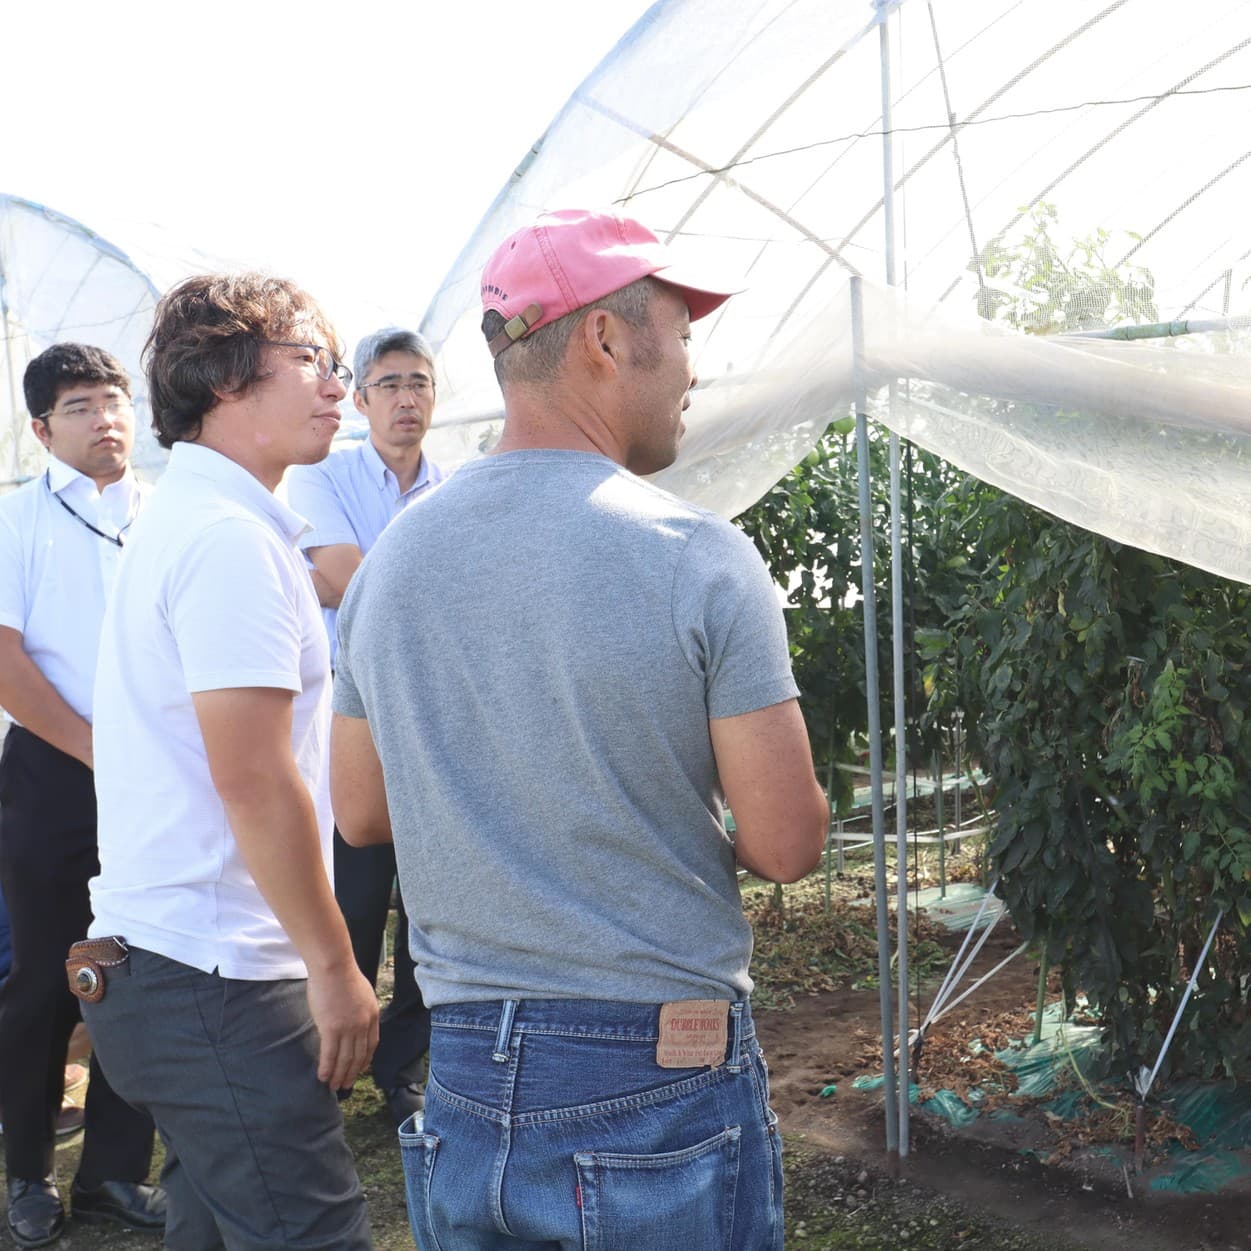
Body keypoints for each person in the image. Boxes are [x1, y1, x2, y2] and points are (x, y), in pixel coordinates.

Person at [330, 207, 830, 1250]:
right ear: (605, 342)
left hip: (463, 1075)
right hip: (655, 1070)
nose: (690, 366)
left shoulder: (390, 568)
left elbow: (361, 811)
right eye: (680, 334)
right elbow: (788, 843)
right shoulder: (694, 553)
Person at [80, 274, 378, 1251]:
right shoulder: (226, 543)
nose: (339, 385)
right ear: (222, 379)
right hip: (215, 980)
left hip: (171, 965)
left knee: (216, 1227)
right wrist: (334, 967)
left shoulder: (197, 524)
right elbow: (252, 776)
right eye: (311, 360)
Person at [0, 343, 162, 1248]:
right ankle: (27, 1174)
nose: (105, 417)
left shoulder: (166, 514)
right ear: (40, 428)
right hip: (54, 776)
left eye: (114, 399)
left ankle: (110, 1177)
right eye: (79, 405)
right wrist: (101, 752)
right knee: (44, 987)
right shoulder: (16, 520)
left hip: (156, 783)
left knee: (138, 977)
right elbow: (6, 659)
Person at [285, 328, 445, 1127]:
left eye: (419, 382)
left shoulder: (455, 487)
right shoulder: (324, 474)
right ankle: (332, 1062)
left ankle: (403, 1066)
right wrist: (338, 577)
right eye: (389, 384)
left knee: (425, 906)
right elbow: (349, 576)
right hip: (349, 724)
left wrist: (342, 577)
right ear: (362, 399)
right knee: (350, 900)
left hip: (433, 725)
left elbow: (351, 579)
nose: (406, 397)